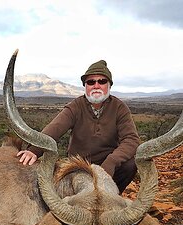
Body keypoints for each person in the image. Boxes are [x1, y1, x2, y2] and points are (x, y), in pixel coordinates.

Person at [17, 60, 140, 194]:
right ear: (85, 86)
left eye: (102, 81)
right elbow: (56, 127)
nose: (96, 85)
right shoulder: (75, 106)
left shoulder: (119, 107)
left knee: (130, 165)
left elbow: (131, 139)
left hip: (108, 166)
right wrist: (34, 150)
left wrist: (111, 162)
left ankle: (112, 196)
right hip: (79, 164)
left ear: (109, 85)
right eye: (91, 82)